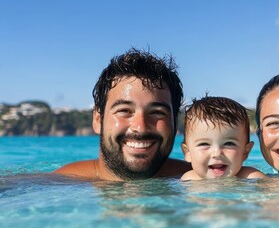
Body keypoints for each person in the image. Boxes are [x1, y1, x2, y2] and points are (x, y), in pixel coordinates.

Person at [54, 48, 191, 181]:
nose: (141, 127)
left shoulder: (199, 179)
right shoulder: (58, 185)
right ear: (97, 120)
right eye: (124, 111)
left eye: (157, 112)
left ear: (174, 121)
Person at [181, 96, 266, 180]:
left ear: (245, 151)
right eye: (204, 144)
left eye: (229, 143)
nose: (217, 153)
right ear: (188, 152)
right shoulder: (188, 180)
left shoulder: (251, 178)